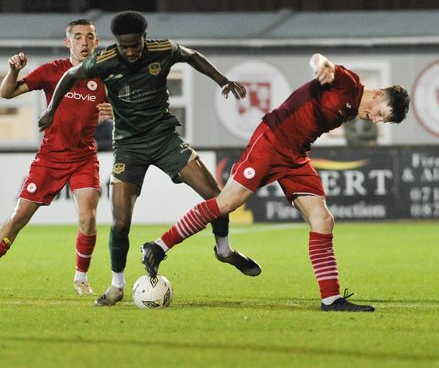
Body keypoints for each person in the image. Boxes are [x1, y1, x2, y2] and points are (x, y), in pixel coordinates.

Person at [141, 53, 410, 312]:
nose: (375, 120)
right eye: (380, 114)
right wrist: (321, 65)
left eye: (381, 120)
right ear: (377, 96)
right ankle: (158, 246)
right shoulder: (349, 83)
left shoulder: (353, 109)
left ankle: (331, 299)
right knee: (227, 203)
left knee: (323, 220)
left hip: (296, 155)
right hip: (272, 141)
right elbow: (320, 59)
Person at [38, 11, 261, 306]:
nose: (130, 52)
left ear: (145, 38)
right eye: (124, 46)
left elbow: (192, 56)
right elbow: (69, 75)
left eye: (135, 45)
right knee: (120, 221)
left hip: (164, 138)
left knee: (216, 195)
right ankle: (117, 284)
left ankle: (224, 249)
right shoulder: (104, 61)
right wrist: (51, 109)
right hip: (128, 146)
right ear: (116, 42)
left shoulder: (163, 50)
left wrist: (222, 80)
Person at [0, 19, 111, 295]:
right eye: (77, 37)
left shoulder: (105, 77)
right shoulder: (53, 71)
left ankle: (81, 277)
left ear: (96, 42)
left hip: (84, 157)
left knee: (88, 217)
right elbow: (7, 93)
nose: (83, 43)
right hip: (50, 157)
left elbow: (126, 110)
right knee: (18, 218)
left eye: (89, 37)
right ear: (68, 42)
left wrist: (116, 113)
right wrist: (13, 71)